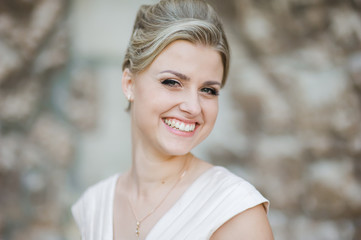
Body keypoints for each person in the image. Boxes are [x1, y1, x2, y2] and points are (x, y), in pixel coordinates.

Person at [71, 0, 274, 239]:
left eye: (208, 90)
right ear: (129, 84)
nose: (193, 107)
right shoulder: (94, 206)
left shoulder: (235, 213)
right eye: (172, 82)